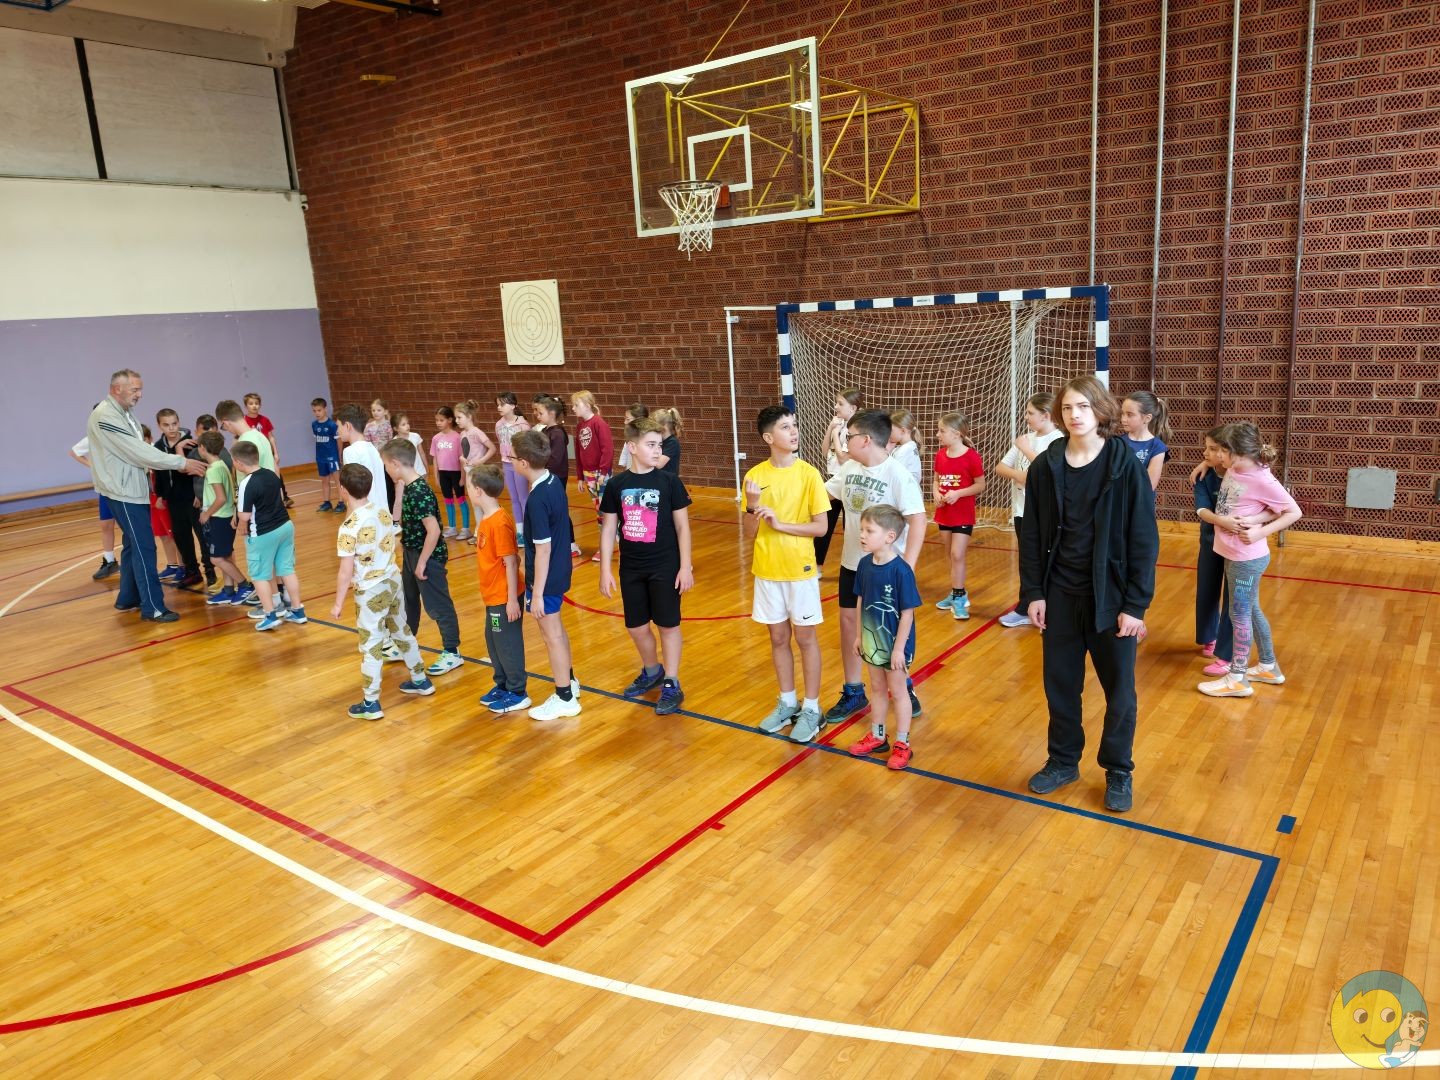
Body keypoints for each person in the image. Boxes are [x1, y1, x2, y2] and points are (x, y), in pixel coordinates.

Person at [1019, 375, 1159, 814]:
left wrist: (1135, 605)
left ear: (1100, 411)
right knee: (1061, 686)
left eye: (1082, 406)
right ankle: (1063, 761)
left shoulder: (1124, 465)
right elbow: (1031, 536)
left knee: (1120, 693)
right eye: (1067, 408)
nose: (1074, 415)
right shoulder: (1046, 466)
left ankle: (1118, 768)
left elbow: (1144, 538)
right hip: (1059, 595)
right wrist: (1034, 592)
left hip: (1111, 600)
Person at [821, 408, 927, 739]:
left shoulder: (897, 474)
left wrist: (907, 567)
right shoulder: (849, 468)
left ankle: (903, 685)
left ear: (865, 439)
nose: (845, 442)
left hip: (887, 571)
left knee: (889, 631)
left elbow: (918, 519)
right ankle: (854, 691)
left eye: (849, 436)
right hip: (853, 564)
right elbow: (823, 494)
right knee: (851, 626)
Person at [86, 374, 209, 623]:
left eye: (140, 389)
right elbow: (137, 451)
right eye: (134, 389)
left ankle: (128, 597)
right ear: (116, 389)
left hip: (130, 489)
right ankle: (153, 607)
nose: (139, 394)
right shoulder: (106, 415)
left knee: (133, 545)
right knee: (144, 547)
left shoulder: (123, 412)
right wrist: (181, 462)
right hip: (124, 493)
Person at [1197, 422, 1303, 698]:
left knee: (1239, 614)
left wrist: (1259, 531)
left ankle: (1237, 678)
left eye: (1221, 451)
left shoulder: (1261, 478)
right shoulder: (1235, 467)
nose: (1217, 456)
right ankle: (1268, 666)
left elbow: (1292, 511)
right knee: (1251, 609)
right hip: (1233, 553)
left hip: (1246, 559)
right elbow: (1266, 507)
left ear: (1238, 452)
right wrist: (1206, 463)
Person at [743, 405, 831, 738]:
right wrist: (752, 506)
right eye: (785, 427)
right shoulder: (754, 477)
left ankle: (812, 708)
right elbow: (749, 533)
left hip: (800, 570)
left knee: (806, 639)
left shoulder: (809, 474)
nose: (793, 431)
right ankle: (788, 702)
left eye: (794, 425)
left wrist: (781, 525)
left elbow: (821, 528)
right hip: (767, 570)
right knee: (778, 638)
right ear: (768, 438)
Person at [598, 417, 694, 715]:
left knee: (668, 625)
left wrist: (686, 566)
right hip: (631, 568)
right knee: (636, 627)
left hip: (665, 566)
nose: (657, 450)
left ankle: (672, 682)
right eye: (650, 445)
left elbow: (683, 527)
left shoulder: (669, 482)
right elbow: (609, 529)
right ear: (632, 447)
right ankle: (652, 670)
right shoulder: (617, 485)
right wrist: (605, 569)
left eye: (659, 445)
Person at [330, 463, 435, 720]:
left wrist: (338, 603)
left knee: (371, 645)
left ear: (343, 490)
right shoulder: (382, 511)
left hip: (369, 590)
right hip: (392, 580)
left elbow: (345, 572)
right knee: (401, 630)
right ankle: (420, 679)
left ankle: (371, 702)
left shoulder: (349, 527)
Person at [511, 428, 582, 721]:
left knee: (550, 635)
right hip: (558, 570)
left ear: (523, 463)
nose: (510, 461)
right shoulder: (552, 481)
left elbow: (542, 549)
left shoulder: (538, 497)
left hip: (546, 577)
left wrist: (536, 593)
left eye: (512, 457)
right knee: (557, 631)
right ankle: (571, 682)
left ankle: (564, 697)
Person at [845, 505, 923, 770]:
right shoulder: (864, 565)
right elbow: (860, 601)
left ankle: (902, 743)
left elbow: (907, 613)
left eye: (869, 530)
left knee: (899, 692)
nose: (862, 535)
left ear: (890, 536)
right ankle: (878, 736)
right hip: (871, 642)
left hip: (895, 645)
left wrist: (899, 649)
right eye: (862, 529)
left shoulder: (901, 571)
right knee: (877, 689)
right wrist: (859, 636)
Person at [380, 437, 465, 678]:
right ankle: (406, 643)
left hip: (427, 557)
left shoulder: (419, 490)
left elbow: (434, 530)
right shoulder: (408, 486)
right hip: (412, 552)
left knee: (438, 605)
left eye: (386, 465)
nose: (386, 470)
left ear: (395, 464)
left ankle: (452, 651)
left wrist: (423, 562)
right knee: (409, 600)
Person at [996, 393, 1063, 628]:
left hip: (1045, 513)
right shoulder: (1026, 438)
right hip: (1021, 509)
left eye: (1030, 413)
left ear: (1045, 416)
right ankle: (1026, 607)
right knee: (1028, 559)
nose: (1026, 417)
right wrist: (1020, 475)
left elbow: (1051, 470)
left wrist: (1025, 452)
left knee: (1046, 559)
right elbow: (1001, 467)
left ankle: (1046, 608)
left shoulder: (1058, 440)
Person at [467, 464, 528, 715]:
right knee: (494, 642)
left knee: (507, 644)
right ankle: (502, 685)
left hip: (504, 597)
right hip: (492, 595)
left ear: (478, 491)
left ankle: (518, 692)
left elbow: (511, 562)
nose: (468, 490)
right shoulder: (486, 518)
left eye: (469, 486)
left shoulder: (499, 522)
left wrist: (512, 600)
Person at [232, 440, 307, 632]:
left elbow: (244, 516)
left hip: (263, 533)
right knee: (287, 569)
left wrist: (240, 524)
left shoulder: (246, 483)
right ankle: (298, 611)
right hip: (285, 526)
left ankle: (270, 615)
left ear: (238, 462)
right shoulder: (272, 474)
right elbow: (281, 498)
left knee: (259, 575)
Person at [931, 411, 986, 621]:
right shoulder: (940, 455)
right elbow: (936, 480)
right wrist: (936, 493)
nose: (938, 434)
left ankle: (960, 597)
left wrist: (958, 493)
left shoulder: (971, 456)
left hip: (963, 514)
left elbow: (980, 485)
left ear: (956, 434)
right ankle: (955, 591)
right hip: (944, 513)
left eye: (942, 431)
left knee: (957, 554)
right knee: (950, 555)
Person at [195, 431, 248, 605]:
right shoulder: (221, 465)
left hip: (219, 519)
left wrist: (206, 513)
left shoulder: (213, 470)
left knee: (216, 558)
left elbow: (221, 498)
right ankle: (228, 590)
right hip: (225, 517)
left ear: (202, 448)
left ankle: (245, 585)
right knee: (225, 556)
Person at [152, 408, 203, 587]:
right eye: (166, 425)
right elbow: (159, 472)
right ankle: (192, 571)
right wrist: (160, 495)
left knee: (202, 536)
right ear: (160, 426)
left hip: (193, 498)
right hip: (174, 500)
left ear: (179, 422)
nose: (171, 428)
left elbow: (199, 471)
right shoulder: (158, 447)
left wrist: (199, 493)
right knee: (181, 536)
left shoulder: (191, 443)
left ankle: (211, 573)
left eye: (174, 423)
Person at [815, 388, 862, 568]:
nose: (835, 406)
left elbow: (843, 459)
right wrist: (830, 428)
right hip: (834, 481)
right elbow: (824, 451)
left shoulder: (856, 429)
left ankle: (854, 566)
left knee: (850, 527)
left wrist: (835, 434)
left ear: (853, 408)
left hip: (849, 482)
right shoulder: (839, 424)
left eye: (840, 403)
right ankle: (817, 565)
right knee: (824, 523)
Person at [532, 395, 582, 560]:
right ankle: (558, 542)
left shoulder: (558, 434)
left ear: (552, 413)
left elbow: (555, 459)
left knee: (560, 510)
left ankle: (571, 544)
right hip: (546, 477)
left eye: (540, 413)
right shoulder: (545, 431)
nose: (537, 416)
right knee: (551, 511)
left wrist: (541, 467)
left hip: (556, 478)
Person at [68, 431, 119, 580]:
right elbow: (74, 452)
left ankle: (135, 562)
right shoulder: (93, 436)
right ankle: (109, 561)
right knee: (106, 525)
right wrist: (93, 466)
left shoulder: (120, 434)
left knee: (128, 526)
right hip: (105, 488)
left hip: (123, 487)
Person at [572, 390, 614, 563]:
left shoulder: (599, 424)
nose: (573, 408)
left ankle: (610, 545)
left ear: (588, 405)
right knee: (599, 512)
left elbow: (607, 449)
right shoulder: (580, 427)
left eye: (576, 405)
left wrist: (603, 472)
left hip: (601, 474)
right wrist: (580, 476)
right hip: (588, 475)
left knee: (606, 511)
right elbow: (578, 453)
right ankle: (605, 545)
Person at [454, 400, 496, 542]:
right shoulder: (462, 434)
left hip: (478, 473)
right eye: (456, 417)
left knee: (483, 503)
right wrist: (462, 458)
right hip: (469, 472)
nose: (456, 420)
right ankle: (479, 533)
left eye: (459, 417)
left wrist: (481, 460)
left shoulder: (476, 432)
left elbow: (492, 448)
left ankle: (487, 532)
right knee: (475, 504)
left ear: (469, 417)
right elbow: (465, 453)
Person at [242, 392, 291, 508]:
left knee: (275, 473)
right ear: (246, 406)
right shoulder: (244, 421)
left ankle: (283, 497)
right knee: (257, 476)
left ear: (260, 405)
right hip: (253, 454)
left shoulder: (265, 420)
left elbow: (271, 437)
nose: (254, 406)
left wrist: (276, 453)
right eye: (251, 403)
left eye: (256, 403)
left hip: (267, 452)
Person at [1120, 390, 1172, 497]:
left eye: (1129, 415)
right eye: (1122, 413)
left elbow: (1149, 486)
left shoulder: (1157, 447)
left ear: (1147, 418)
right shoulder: (1118, 442)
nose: (1123, 419)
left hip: (1140, 503)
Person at [494, 393, 531, 538]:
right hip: (506, 464)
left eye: (502, 404)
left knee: (523, 497)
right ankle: (520, 531)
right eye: (498, 404)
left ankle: (529, 530)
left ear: (513, 405)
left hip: (520, 464)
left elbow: (527, 447)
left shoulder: (523, 425)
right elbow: (501, 442)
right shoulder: (498, 425)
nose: (499, 407)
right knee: (514, 498)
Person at [431, 406, 465, 537]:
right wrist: (436, 476)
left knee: (461, 499)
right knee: (448, 500)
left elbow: (462, 458)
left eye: (441, 420)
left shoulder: (457, 437)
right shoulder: (436, 438)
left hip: (456, 473)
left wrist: (463, 476)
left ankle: (466, 528)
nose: (438, 423)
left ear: (450, 420)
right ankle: (452, 527)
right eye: (436, 420)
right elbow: (435, 458)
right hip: (443, 473)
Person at [217, 400, 275, 471]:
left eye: (222, 426)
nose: (226, 429)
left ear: (225, 422)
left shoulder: (243, 444)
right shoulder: (260, 435)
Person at [311, 397, 341, 512]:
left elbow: (339, 441)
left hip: (332, 457)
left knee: (338, 481)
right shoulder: (314, 425)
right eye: (314, 411)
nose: (317, 413)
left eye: (319, 410)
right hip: (321, 457)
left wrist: (338, 455)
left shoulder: (332, 425)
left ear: (325, 409)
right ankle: (327, 502)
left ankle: (341, 502)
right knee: (324, 481)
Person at [888, 408, 923, 487]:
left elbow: (893, 473)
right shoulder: (904, 447)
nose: (889, 433)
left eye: (891, 430)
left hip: (907, 491)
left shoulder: (906, 449)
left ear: (903, 431)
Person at [652, 407, 683, 478]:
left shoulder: (672, 442)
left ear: (664, 427)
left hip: (669, 482)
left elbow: (658, 464)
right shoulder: (659, 441)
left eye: (654, 427)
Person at [616, 401, 647, 471]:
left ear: (639, 420)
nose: (625, 422)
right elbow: (625, 456)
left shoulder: (647, 439)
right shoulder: (630, 435)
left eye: (628, 419)